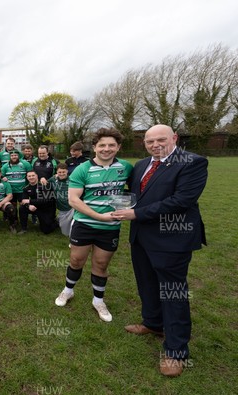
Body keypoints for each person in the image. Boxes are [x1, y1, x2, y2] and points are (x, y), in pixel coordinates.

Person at [111, 124, 208, 377]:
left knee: (173, 292)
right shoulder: (142, 164)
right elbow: (134, 195)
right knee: (146, 283)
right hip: (141, 237)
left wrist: (136, 213)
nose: (155, 145)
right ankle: (153, 324)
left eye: (161, 140)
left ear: (174, 138)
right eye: (149, 141)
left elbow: (181, 201)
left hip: (172, 238)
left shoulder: (192, 162)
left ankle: (176, 351)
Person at [54, 128, 132, 323]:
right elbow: (73, 200)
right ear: (95, 147)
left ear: (118, 147)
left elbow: (137, 191)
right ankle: (68, 290)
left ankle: (98, 300)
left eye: (111, 145)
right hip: (84, 224)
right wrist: (100, 216)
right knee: (76, 261)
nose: (107, 149)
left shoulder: (126, 167)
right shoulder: (83, 169)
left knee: (101, 264)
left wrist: (128, 209)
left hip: (110, 227)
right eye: (102, 145)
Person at [1, 149, 32, 219]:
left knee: (23, 206)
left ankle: (23, 220)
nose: (14, 157)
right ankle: (14, 221)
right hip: (11, 191)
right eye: (12, 155)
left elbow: (31, 174)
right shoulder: (6, 166)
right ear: (10, 157)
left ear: (19, 156)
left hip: (22, 190)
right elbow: (0, 174)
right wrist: (3, 177)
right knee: (13, 206)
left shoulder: (25, 164)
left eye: (15, 155)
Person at [47, 163, 73, 237]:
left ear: (67, 171)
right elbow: (45, 183)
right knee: (65, 232)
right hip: (61, 208)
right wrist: (42, 179)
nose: (61, 174)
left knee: (72, 231)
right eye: (59, 172)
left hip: (72, 207)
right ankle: (59, 219)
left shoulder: (72, 180)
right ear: (57, 172)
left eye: (63, 172)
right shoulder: (53, 179)